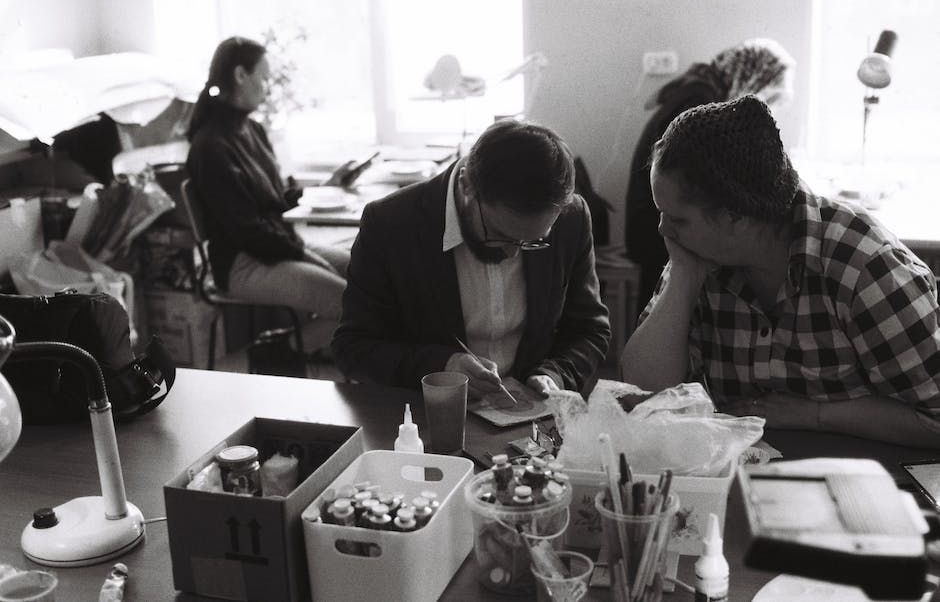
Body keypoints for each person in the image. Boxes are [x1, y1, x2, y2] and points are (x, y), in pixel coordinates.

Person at [620, 95, 940, 448]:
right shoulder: (701, 255)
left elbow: (934, 420)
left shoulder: (866, 268)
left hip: (862, 477)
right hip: (747, 475)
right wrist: (682, 277)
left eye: (677, 219)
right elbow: (644, 395)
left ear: (735, 217)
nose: (663, 230)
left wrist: (815, 415)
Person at [332, 119, 610, 399]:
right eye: (499, 234)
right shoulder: (390, 224)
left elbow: (588, 329)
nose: (513, 253)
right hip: (429, 419)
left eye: (534, 241)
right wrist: (442, 367)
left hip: (532, 423)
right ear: (467, 185)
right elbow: (354, 348)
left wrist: (556, 374)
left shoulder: (571, 219)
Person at [186, 36, 350, 330]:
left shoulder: (254, 130)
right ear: (240, 75)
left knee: (366, 271)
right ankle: (281, 352)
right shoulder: (209, 147)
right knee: (351, 303)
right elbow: (247, 230)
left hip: (275, 246)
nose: (268, 87)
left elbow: (273, 201)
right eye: (263, 78)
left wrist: (325, 188)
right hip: (242, 262)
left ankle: (308, 351)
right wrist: (304, 254)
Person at [625, 38, 796, 310]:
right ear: (755, 77)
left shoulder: (698, 86)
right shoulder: (701, 104)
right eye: (769, 93)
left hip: (665, 215)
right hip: (664, 223)